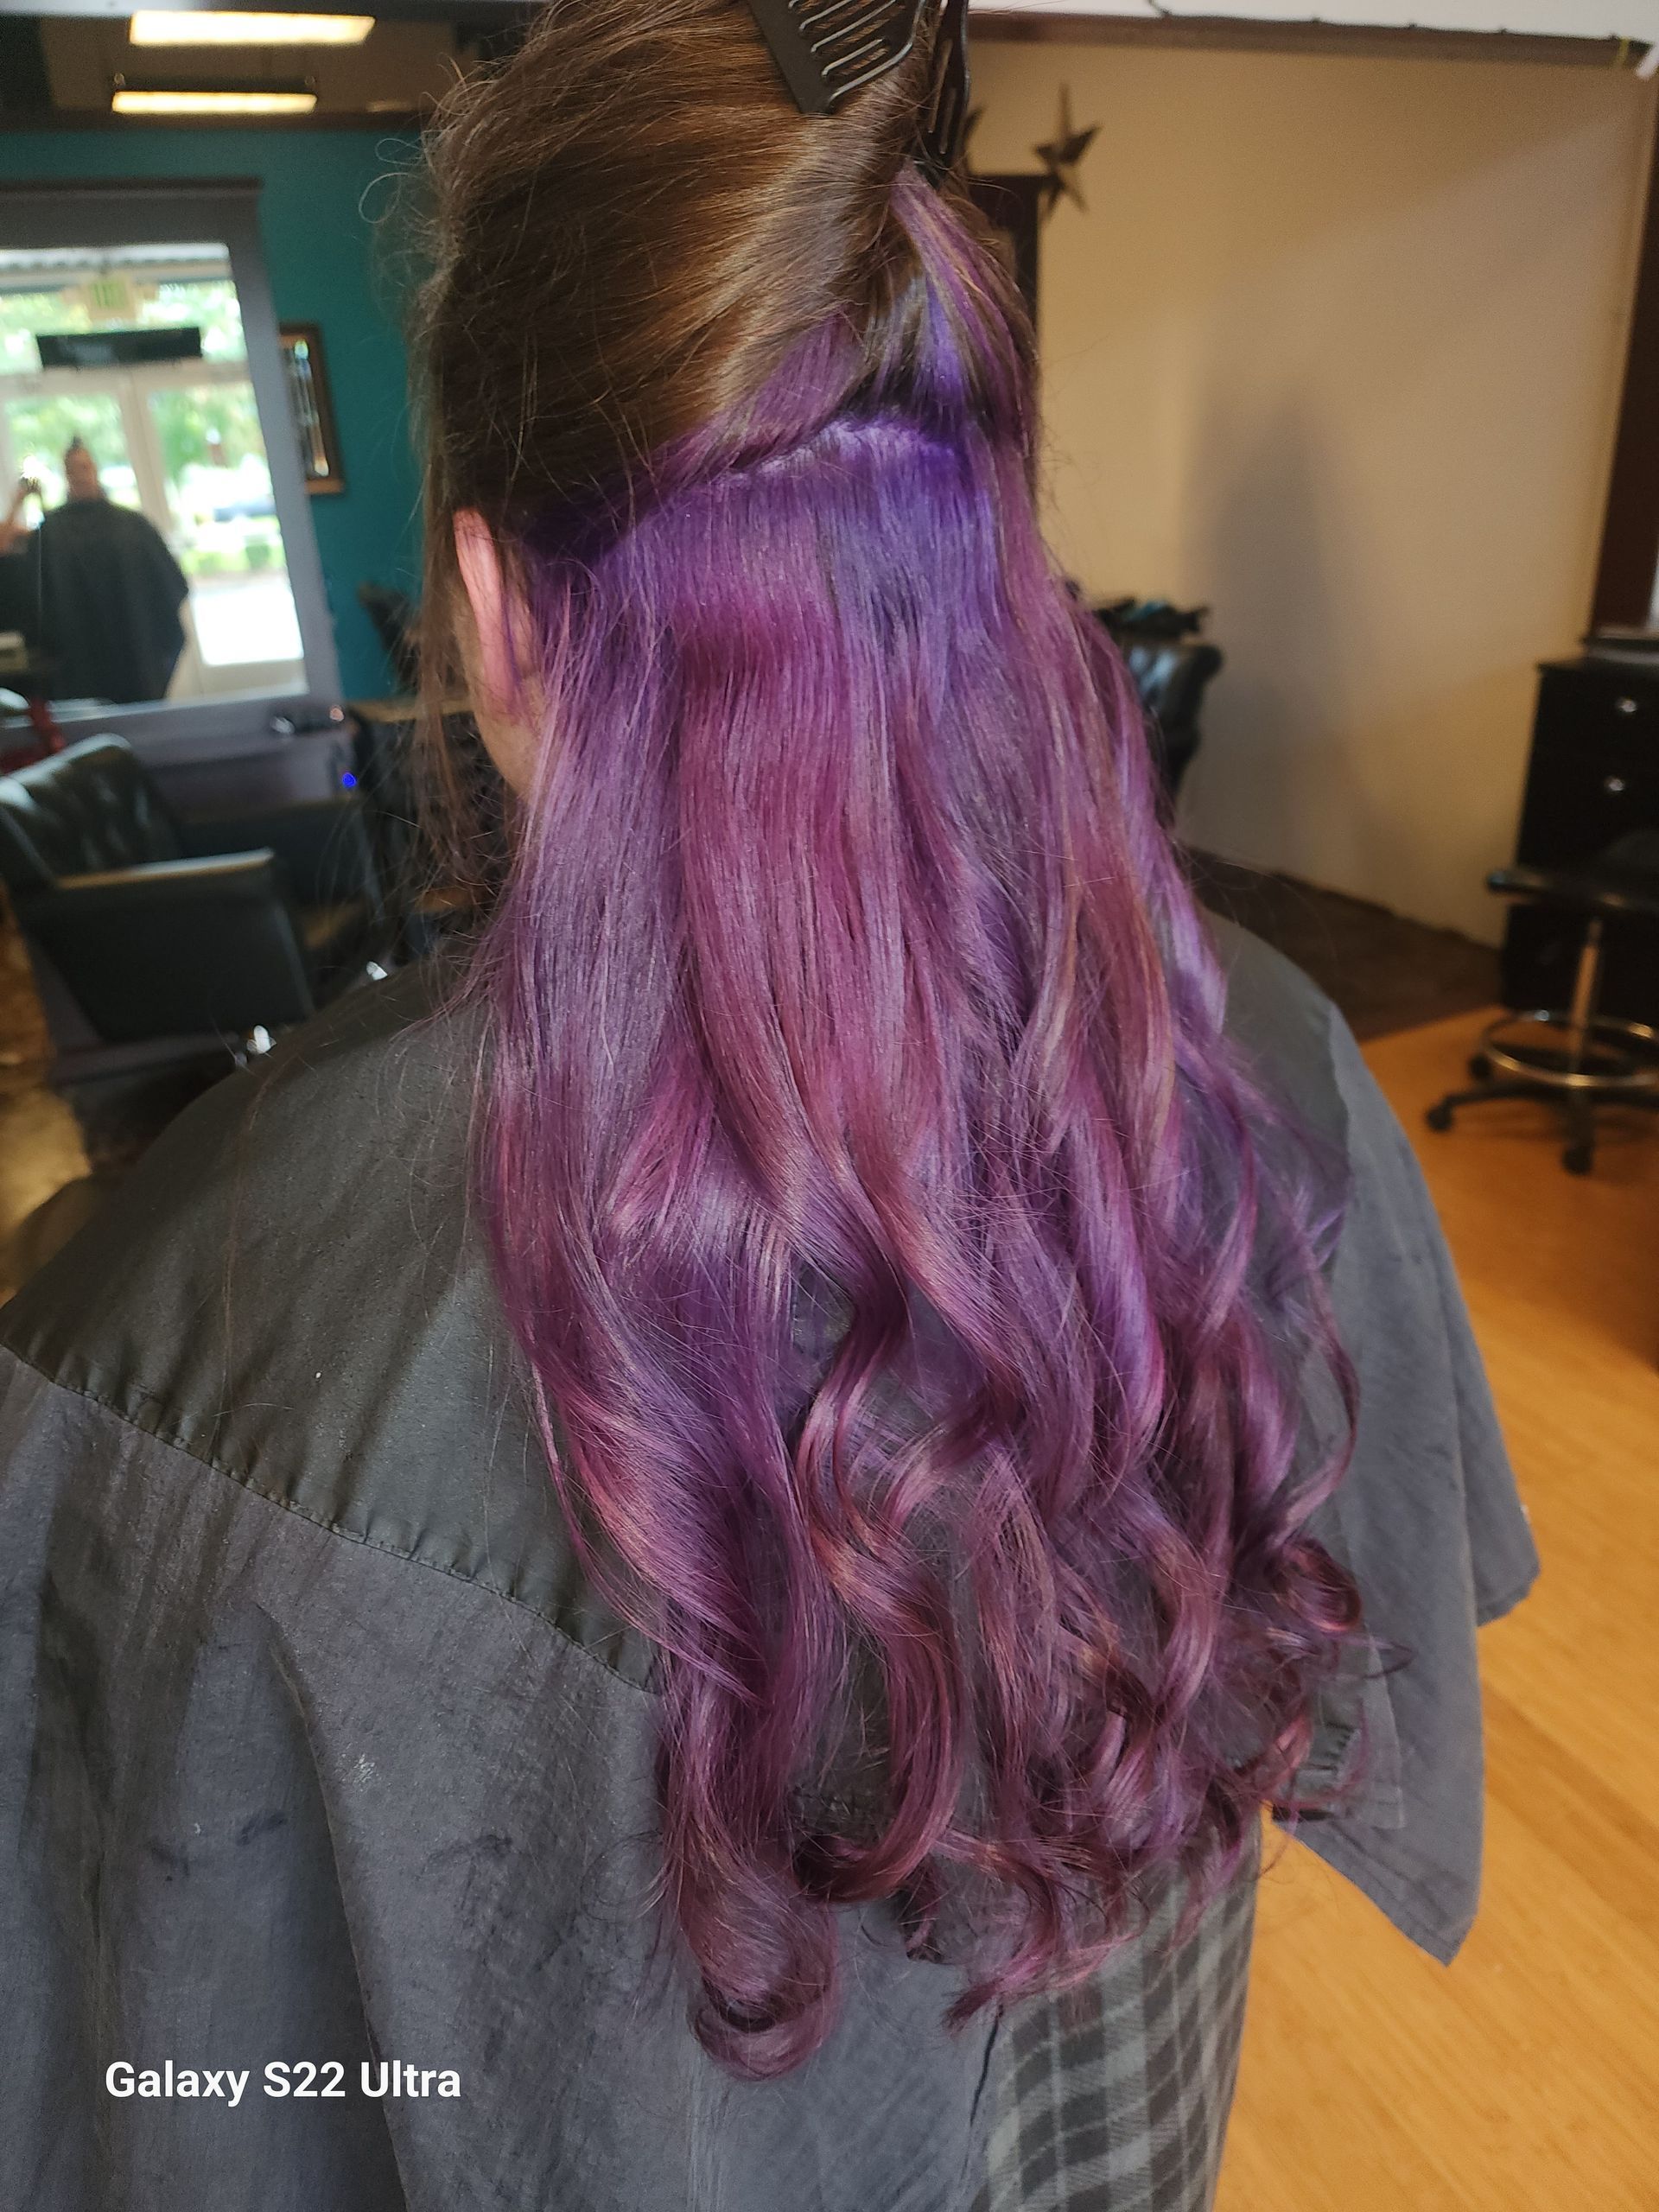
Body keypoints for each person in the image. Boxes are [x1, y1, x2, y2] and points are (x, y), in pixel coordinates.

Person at [0, 4, 1536, 2207]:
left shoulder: (180, 1319)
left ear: (496, 604)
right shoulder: (1270, 1045)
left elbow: (163, 2080)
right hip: (1122, 2125)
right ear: (983, 562)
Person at [19, 439, 188, 702]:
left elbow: (170, 590)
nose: (81, 474)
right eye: (74, 469)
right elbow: (34, 610)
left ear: (94, 468)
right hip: (79, 673)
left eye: (85, 466)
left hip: (138, 662)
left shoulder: (133, 528)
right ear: (66, 474)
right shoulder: (49, 536)